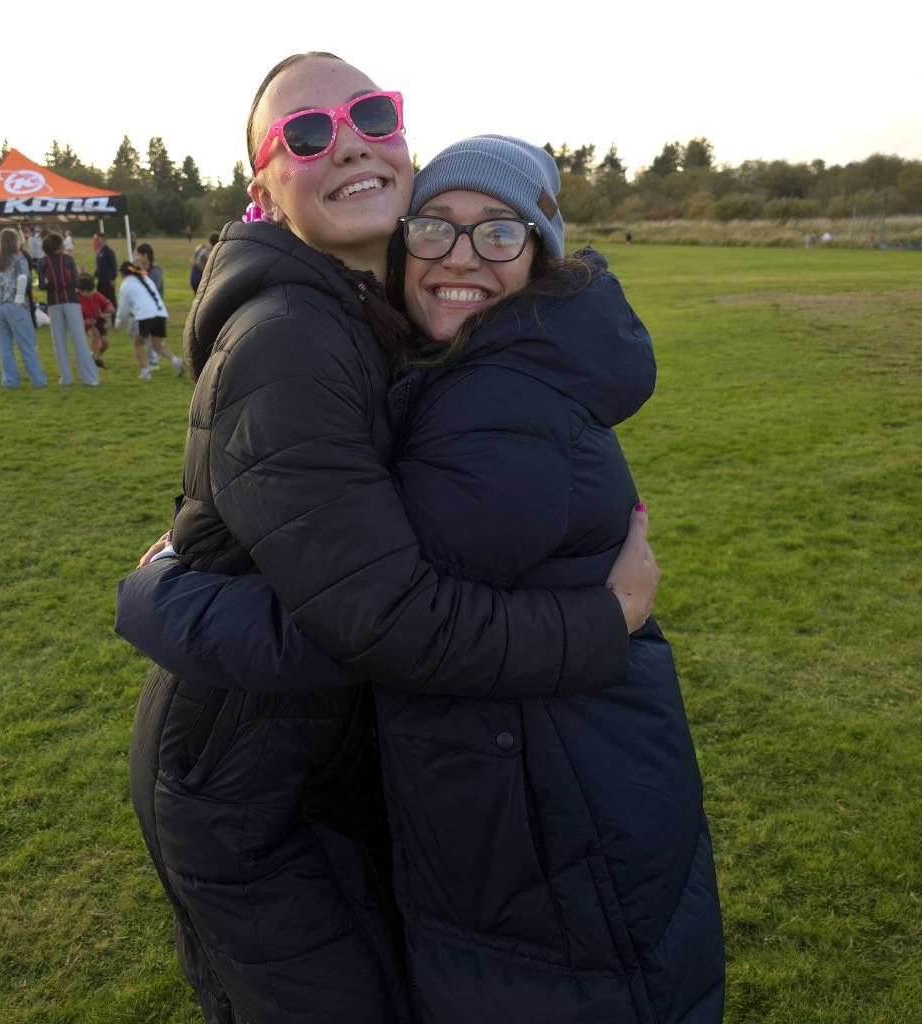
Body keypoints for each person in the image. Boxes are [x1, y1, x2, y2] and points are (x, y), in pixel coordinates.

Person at [121, 132, 725, 1023]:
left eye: (499, 233)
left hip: (545, 812)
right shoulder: (478, 367)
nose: (461, 257)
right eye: (436, 227)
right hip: (547, 780)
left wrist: (157, 596)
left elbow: (379, 624)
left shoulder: (492, 411)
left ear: (541, 251)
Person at [0, 229, 47, 389]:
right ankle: (38, 380)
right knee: (26, 345)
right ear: (14, 241)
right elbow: (24, 279)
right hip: (15, 305)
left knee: (4, 347)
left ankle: (10, 381)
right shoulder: (19, 259)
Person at [38, 233, 100, 386]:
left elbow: (41, 285)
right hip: (71, 301)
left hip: (53, 303)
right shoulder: (68, 259)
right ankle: (90, 378)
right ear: (61, 246)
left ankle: (66, 378)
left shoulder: (42, 262)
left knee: (59, 342)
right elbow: (75, 281)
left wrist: (52, 286)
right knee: (80, 340)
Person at [114, 261, 183, 378]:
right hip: (160, 314)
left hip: (144, 316)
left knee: (138, 343)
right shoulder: (145, 278)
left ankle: (146, 372)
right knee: (157, 345)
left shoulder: (126, 285)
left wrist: (117, 325)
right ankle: (176, 360)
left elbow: (122, 310)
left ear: (122, 273)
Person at [133, 243, 165, 367]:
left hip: (155, 309)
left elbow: (153, 290)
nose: (136, 257)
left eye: (138, 255)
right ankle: (154, 359)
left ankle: (154, 360)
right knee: (146, 336)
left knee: (150, 337)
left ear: (145, 255)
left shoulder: (156, 271)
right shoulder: (141, 270)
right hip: (144, 309)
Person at [77, 273, 114, 367]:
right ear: (80, 291)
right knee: (95, 333)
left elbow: (106, 303)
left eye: (92, 290)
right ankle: (98, 361)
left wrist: (109, 308)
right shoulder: (75, 300)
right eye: (88, 291)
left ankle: (93, 357)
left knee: (105, 344)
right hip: (84, 323)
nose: (91, 293)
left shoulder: (96, 294)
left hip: (97, 320)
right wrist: (86, 323)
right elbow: (74, 319)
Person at [93, 233, 117, 306]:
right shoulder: (99, 252)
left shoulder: (109, 252)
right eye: (95, 239)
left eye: (98, 239)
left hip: (108, 281)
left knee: (110, 299)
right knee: (101, 299)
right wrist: (94, 276)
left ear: (104, 240)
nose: (96, 241)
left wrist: (113, 279)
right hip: (101, 280)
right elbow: (99, 266)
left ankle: (114, 314)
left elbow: (114, 266)